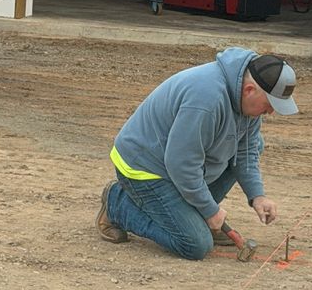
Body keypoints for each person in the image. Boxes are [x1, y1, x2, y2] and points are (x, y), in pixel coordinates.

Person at [96, 48, 297, 261]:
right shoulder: (206, 101)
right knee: (195, 244)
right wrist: (210, 210)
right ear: (249, 90)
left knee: (257, 144)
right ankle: (117, 203)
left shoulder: (246, 103)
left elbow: (246, 149)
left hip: (177, 166)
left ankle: (191, 215)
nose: (271, 112)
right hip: (144, 168)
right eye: (269, 105)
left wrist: (257, 195)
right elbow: (181, 164)